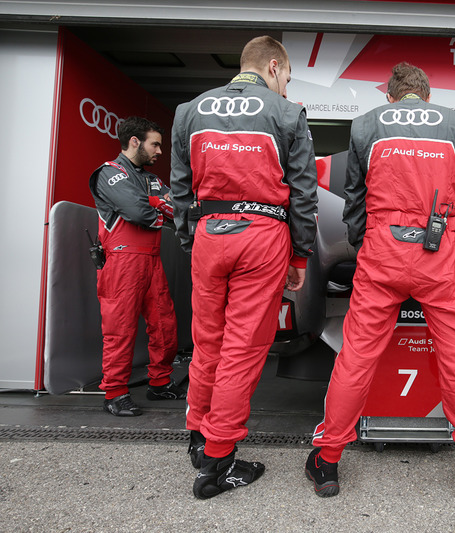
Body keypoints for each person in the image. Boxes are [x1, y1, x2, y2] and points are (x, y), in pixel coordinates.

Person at [306, 63, 455, 501]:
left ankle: (329, 461)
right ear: (426, 96)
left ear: (391, 97)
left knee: (355, 357)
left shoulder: (365, 124)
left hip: (381, 247)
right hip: (440, 247)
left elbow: (353, 198)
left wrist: (366, 243)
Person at [170, 36, 318, 499]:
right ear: (273, 67)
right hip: (263, 235)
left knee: (206, 342)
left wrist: (191, 239)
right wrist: (299, 257)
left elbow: (179, 188)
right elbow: (303, 193)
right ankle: (219, 463)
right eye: (287, 77)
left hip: (209, 235)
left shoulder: (187, 111)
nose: (286, 86)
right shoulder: (287, 112)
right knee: (243, 349)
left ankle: (198, 434)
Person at [89, 116, 184, 418]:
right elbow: (138, 212)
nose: (159, 151)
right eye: (155, 144)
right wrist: (158, 206)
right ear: (134, 142)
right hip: (121, 262)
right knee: (120, 330)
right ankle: (115, 393)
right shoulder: (109, 173)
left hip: (151, 261)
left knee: (165, 324)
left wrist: (156, 203)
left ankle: (160, 383)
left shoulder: (151, 179)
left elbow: (179, 209)